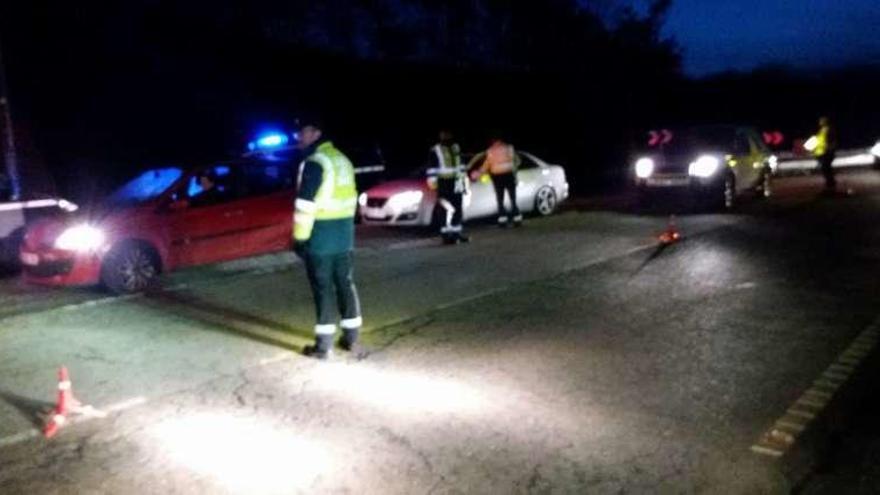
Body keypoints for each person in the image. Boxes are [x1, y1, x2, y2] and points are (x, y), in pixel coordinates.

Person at [292, 119, 363, 360]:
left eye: (302, 132)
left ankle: (324, 346)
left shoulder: (315, 162)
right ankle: (352, 339)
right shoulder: (342, 160)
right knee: (345, 283)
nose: (298, 137)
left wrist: (300, 240)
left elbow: (304, 206)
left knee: (322, 289)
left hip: (321, 237)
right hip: (344, 236)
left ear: (316, 133)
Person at [429, 130, 469, 244]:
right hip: (444, 183)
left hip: (457, 182)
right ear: (440, 135)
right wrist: (435, 186)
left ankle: (456, 234)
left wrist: (464, 183)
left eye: (448, 133)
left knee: (458, 208)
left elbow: (461, 165)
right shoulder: (435, 149)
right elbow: (431, 170)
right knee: (444, 209)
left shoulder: (456, 147)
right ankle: (446, 236)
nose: (446, 136)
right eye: (443, 134)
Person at [474, 137, 522, 227]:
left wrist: (477, 174)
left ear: (493, 141)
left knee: (500, 199)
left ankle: (502, 220)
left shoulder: (490, 151)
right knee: (513, 198)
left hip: (497, 177)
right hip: (509, 175)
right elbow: (518, 161)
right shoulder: (509, 148)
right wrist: (514, 172)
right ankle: (517, 219)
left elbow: (486, 165)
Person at [812, 116, 838, 193]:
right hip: (823, 152)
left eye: (821, 121)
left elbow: (832, 141)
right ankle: (830, 185)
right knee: (825, 169)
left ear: (825, 121)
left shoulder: (829, 130)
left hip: (828, 152)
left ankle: (831, 185)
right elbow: (820, 141)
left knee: (826, 168)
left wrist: (830, 149)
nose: (820, 122)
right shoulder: (822, 130)